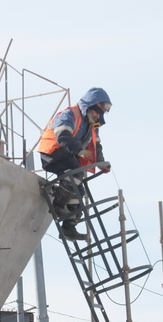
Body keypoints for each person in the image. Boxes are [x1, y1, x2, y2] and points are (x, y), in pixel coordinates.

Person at [36, 87, 112, 241]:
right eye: (96, 110)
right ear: (88, 107)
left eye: (100, 113)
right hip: (53, 152)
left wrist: (101, 163)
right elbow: (62, 136)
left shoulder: (92, 126)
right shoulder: (70, 114)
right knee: (75, 173)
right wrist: (78, 151)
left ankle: (69, 227)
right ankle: (58, 205)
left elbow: (96, 146)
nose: (97, 115)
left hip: (69, 156)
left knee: (79, 192)